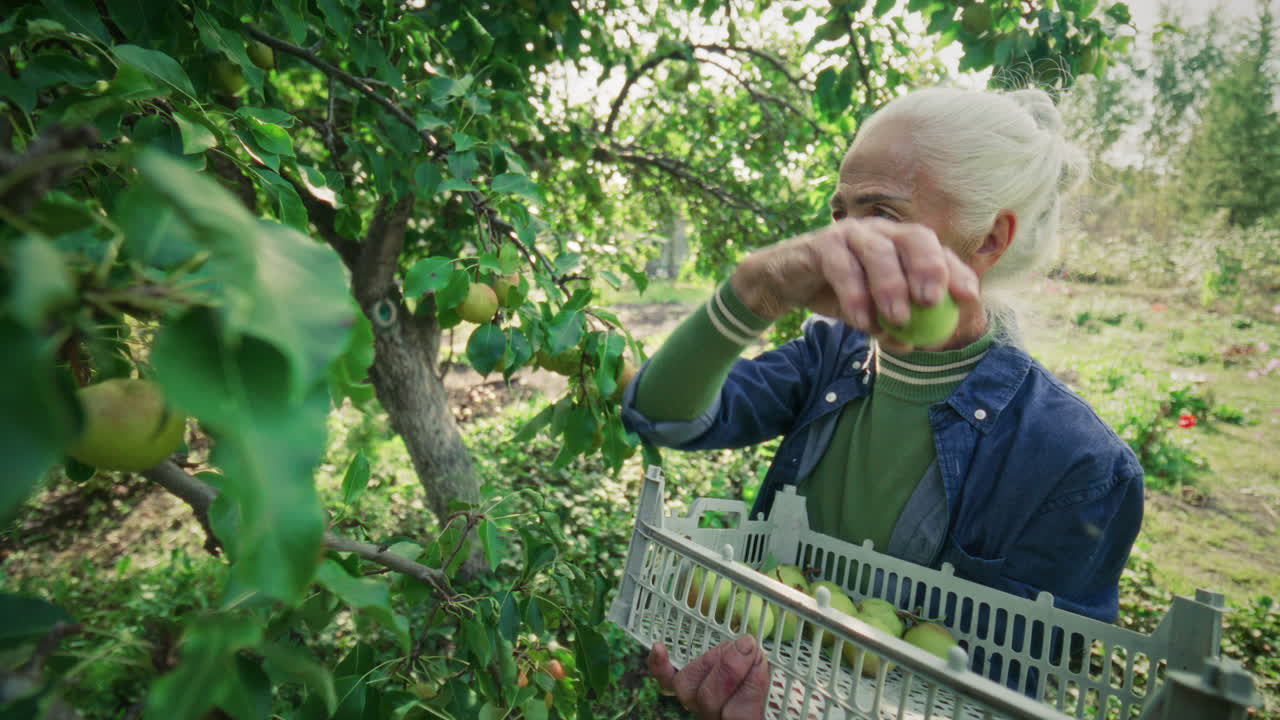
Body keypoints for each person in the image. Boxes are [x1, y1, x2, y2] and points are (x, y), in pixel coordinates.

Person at [619, 86, 1145, 719]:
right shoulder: (829, 357)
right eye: (839, 214)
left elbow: (1006, 697)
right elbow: (668, 416)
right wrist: (750, 295)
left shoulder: (1077, 466)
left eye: (881, 214)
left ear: (988, 238)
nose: (843, 242)